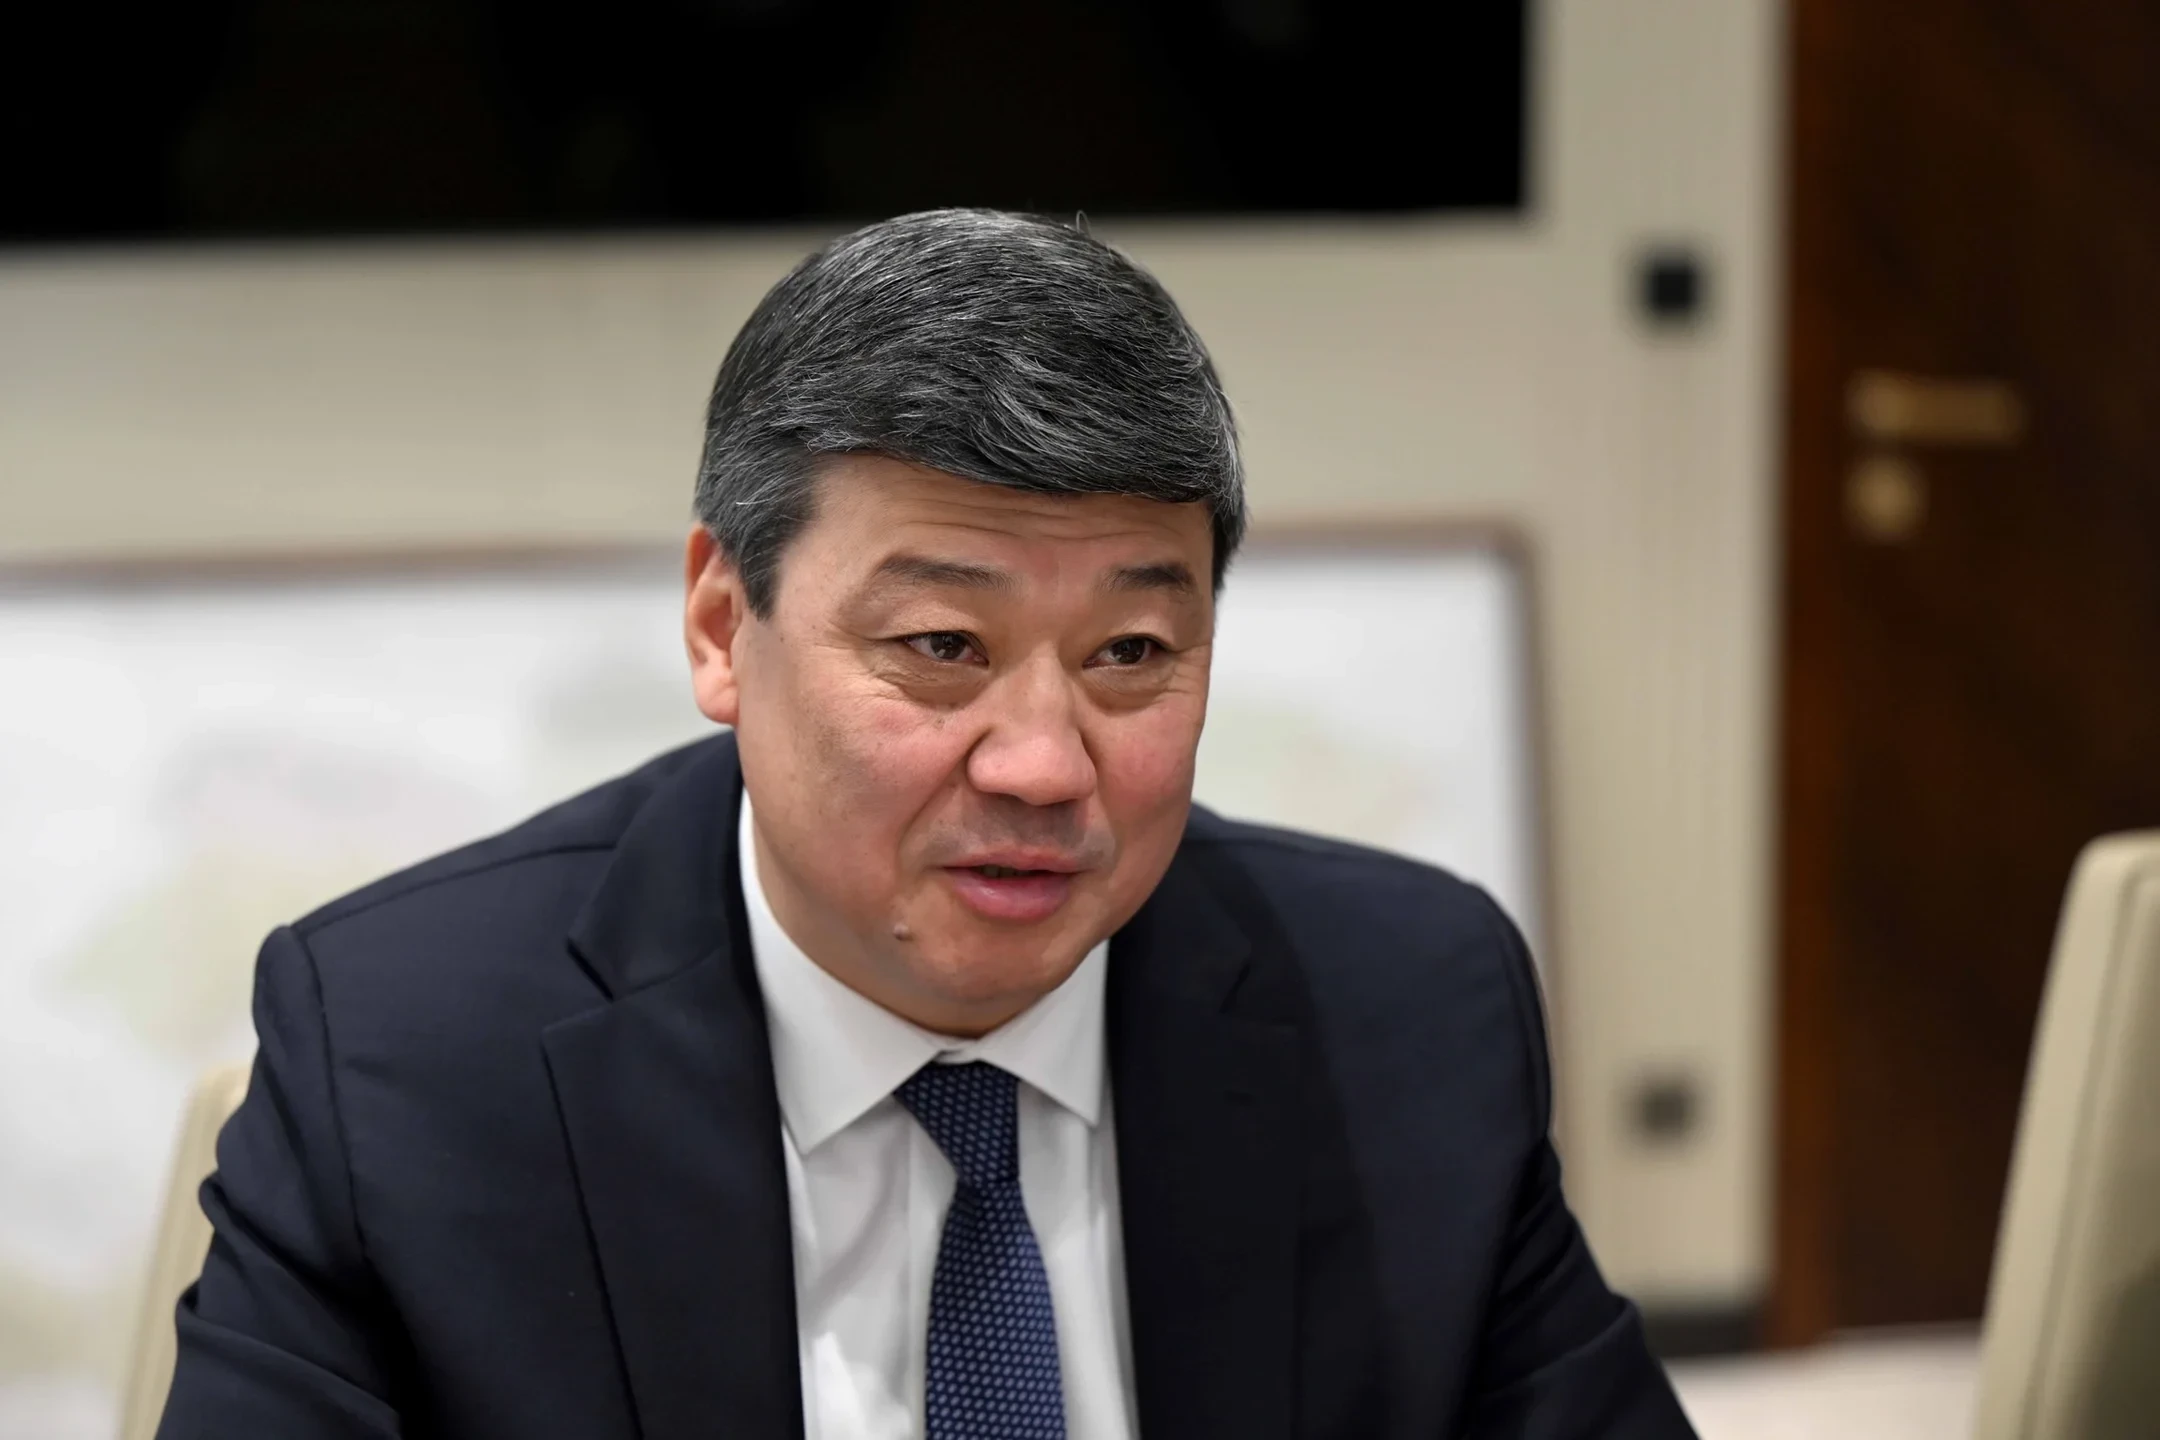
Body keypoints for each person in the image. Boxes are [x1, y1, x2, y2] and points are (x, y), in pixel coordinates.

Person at [157, 209, 1695, 1439]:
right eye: (943, 646)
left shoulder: (1408, 1011)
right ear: (721, 625)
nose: (1043, 765)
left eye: (1131, 653)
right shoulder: (406, 1061)